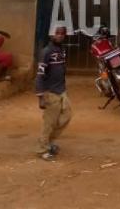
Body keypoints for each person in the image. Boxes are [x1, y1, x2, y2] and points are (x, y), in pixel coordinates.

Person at [36, 25, 72, 161]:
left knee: (67, 115)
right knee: (49, 122)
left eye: (62, 33)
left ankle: (48, 141)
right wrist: (40, 97)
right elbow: (40, 75)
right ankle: (42, 149)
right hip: (50, 92)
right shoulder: (46, 52)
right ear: (51, 35)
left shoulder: (61, 50)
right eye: (57, 33)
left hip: (61, 90)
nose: (60, 35)